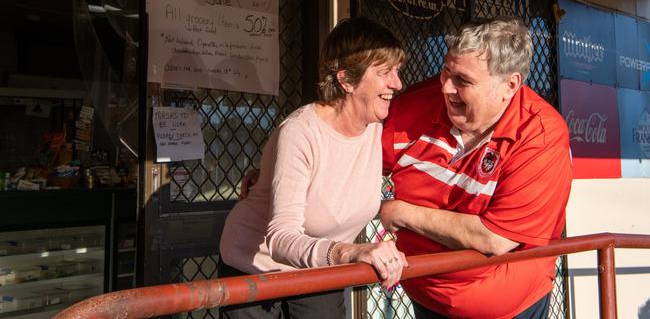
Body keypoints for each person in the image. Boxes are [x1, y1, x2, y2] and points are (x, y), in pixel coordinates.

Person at [379, 17, 572, 318]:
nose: (445, 87)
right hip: (426, 297)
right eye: (445, 71)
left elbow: (494, 238)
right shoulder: (417, 105)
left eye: (462, 81)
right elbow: (353, 164)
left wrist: (400, 212)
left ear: (510, 85)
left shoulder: (540, 134)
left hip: (510, 309)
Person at [218, 17, 409, 319]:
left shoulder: (379, 126)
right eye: (385, 72)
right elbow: (280, 238)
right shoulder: (300, 132)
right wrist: (352, 251)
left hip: (319, 265)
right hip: (256, 266)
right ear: (346, 80)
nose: (397, 83)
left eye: (397, 71)